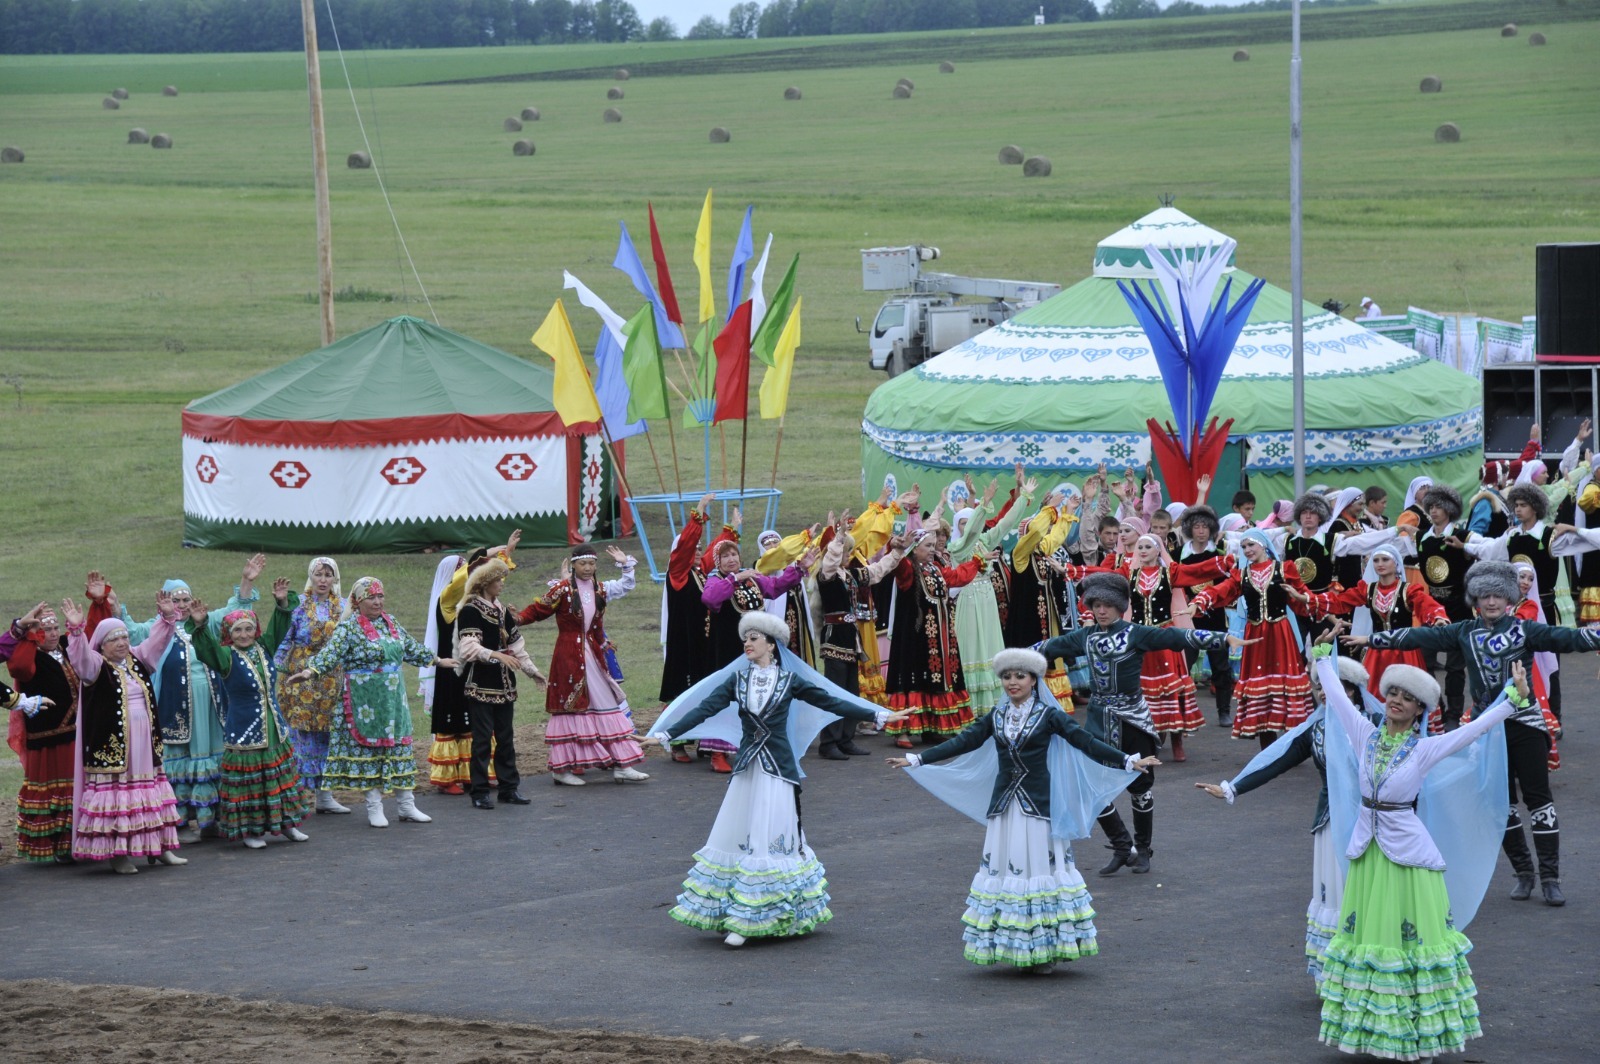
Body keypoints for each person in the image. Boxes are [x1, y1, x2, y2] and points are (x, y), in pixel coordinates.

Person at [644, 611, 910, 947]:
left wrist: (879, 712)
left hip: (777, 768)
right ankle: (737, 911)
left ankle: (757, 917)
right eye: (746, 638)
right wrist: (666, 734)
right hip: (748, 770)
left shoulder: (789, 681)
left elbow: (831, 700)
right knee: (739, 834)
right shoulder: (737, 681)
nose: (748, 643)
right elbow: (703, 709)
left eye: (754, 638)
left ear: (772, 645)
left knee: (771, 836)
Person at [1347, 559, 1600, 907]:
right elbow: (1423, 634)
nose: (1491, 602)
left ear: (1509, 598)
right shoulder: (1464, 631)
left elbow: (1568, 638)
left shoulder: (1526, 630)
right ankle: (1524, 873)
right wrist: (1371, 639)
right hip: (1484, 729)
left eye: (1498, 595)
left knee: (1539, 800)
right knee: (1500, 804)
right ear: (1475, 600)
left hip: (1525, 724)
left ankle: (1551, 878)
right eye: (1484, 596)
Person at [1313, 654, 1525, 1061]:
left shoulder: (1425, 749)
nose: (1396, 701)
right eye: (1392, 692)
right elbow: (1338, 698)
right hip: (1368, 856)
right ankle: (1375, 1031)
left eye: (1407, 698)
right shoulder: (1364, 734)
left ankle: (1423, 1035)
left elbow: (1474, 731)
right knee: (1371, 940)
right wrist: (1324, 658)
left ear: (1419, 710)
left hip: (1407, 859)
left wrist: (1511, 698)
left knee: (1412, 945)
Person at [890, 647, 1154, 973]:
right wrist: (918, 759)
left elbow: (1083, 741)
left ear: (1033, 680)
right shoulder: (997, 716)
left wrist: (1127, 760)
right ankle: (1015, 945)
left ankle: (1045, 949)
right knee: (1008, 871)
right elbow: (965, 741)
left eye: (1020, 676)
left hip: (1038, 808)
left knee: (1039, 871)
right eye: (1006, 676)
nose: (1012, 682)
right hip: (1005, 808)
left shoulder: (1048, 715)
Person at [1039, 573, 1243, 875]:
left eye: (1108, 605)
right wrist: (1010, 660)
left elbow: (1175, 637)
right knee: (1092, 786)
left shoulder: (1135, 633)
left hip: (1132, 720)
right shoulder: (1086, 636)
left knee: (1140, 787)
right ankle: (1123, 847)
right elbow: (1049, 647)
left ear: (1120, 607)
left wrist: (1221, 638)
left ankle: (1143, 850)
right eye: (1096, 605)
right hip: (1098, 722)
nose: (1101, 611)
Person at [1196, 650, 1378, 979]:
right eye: (1318, 685)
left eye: (1333, 685)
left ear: (1351, 689)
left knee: (1370, 895)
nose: (1323, 691)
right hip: (1331, 823)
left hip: (1374, 826)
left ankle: (1373, 969)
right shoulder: (1315, 730)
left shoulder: (1377, 727)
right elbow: (1276, 761)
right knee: (1336, 895)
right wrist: (1232, 788)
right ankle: (1339, 973)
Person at [285, 577, 454, 829]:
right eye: (371, 597)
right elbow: (330, 654)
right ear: (358, 601)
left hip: (393, 702)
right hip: (363, 701)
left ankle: (406, 805)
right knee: (369, 752)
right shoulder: (348, 628)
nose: (378, 602)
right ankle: (375, 807)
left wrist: (438, 660)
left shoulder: (391, 622)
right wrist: (310, 672)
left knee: (399, 748)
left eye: (380, 596)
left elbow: (410, 648)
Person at [90, 570, 225, 844]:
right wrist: (112, 604)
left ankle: (210, 820)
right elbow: (129, 631)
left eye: (186, 598)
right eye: (176, 599)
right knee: (179, 759)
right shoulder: (157, 625)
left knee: (209, 757)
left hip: (208, 707)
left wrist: (246, 584)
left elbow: (234, 613)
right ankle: (182, 822)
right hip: (173, 706)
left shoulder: (204, 624)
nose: (183, 604)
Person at [60, 591, 189, 874]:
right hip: (113, 748)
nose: (121, 643)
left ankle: (162, 847)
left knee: (149, 793)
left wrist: (168, 618)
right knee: (118, 797)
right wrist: (76, 630)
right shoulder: (95, 667)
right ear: (102, 646)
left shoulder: (138, 659)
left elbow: (157, 642)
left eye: (123, 637)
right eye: (113, 639)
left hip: (144, 744)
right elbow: (79, 657)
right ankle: (118, 854)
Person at [186, 587, 311, 849]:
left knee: (280, 777)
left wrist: (281, 602)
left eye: (248, 629)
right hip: (245, 730)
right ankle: (250, 830)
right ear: (229, 635)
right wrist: (200, 625)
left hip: (274, 727)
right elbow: (206, 649)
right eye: (237, 631)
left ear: (255, 630)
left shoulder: (264, 647)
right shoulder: (226, 656)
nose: (244, 635)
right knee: (250, 784)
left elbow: (280, 625)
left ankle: (287, 824)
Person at [520, 545, 648, 788]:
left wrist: (604, 642)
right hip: (568, 657)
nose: (588, 568)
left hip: (593, 656)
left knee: (607, 704)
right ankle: (561, 769)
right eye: (583, 564)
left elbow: (597, 623)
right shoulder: (562, 589)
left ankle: (622, 766)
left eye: (591, 563)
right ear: (574, 566)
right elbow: (537, 610)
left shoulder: (599, 588)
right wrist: (513, 619)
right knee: (570, 709)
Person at [1184, 530, 1317, 747]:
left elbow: (1302, 597)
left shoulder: (1285, 569)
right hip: (1255, 636)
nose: (1247, 550)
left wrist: (1305, 598)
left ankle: (1296, 742)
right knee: (1261, 688)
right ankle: (1268, 744)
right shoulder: (1242, 574)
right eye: (1244, 547)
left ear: (1264, 545)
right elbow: (1221, 590)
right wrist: (1198, 602)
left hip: (1281, 634)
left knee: (1285, 686)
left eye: (1251, 545)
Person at [445, 559, 543, 806]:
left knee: (506, 738)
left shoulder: (500, 611)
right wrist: (496, 654)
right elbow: (468, 648)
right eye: (498, 580)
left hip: (505, 685)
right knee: (481, 740)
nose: (501, 584)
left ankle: (509, 788)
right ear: (486, 582)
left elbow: (516, 646)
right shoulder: (470, 610)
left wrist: (534, 672)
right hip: (480, 684)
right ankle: (479, 792)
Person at [885, 529, 988, 747]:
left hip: (938, 638)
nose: (933, 550)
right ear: (915, 549)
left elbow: (956, 577)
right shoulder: (908, 569)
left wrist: (977, 563)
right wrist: (897, 546)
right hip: (915, 639)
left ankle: (932, 728)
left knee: (935, 679)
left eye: (933, 546)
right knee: (912, 679)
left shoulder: (935, 569)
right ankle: (902, 732)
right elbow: (897, 563)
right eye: (927, 546)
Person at [659, 493, 740, 771]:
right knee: (684, 693)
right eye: (691, 548)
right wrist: (699, 514)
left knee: (707, 692)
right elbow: (686, 549)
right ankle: (678, 741)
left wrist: (729, 532)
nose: (697, 551)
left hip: (705, 642)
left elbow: (712, 554)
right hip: (685, 641)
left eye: (698, 549)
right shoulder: (678, 573)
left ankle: (709, 741)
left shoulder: (701, 571)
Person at [813, 522, 907, 759]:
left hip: (851, 640)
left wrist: (897, 552)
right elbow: (830, 562)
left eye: (847, 551)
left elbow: (877, 571)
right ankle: (828, 743)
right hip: (834, 638)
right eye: (844, 551)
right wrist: (838, 538)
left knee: (852, 691)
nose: (847, 555)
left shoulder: (852, 575)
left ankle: (846, 738)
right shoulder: (826, 576)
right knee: (835, 692)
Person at [274, 557, 352, 811]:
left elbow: (350, 642)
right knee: (302, 736)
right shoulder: (298, 605)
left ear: (335, 578)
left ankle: (325, 797)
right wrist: (272, 668)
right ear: (311, 576)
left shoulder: (343, 607)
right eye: (318, 574)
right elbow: (285, 640)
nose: (323, 580)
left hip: (330, 679)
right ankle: (299, 797)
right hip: (299, 679)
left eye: (328, 575)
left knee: (327, 736)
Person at [2, 602, 77, 863]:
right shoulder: (30, 654)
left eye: (56, 628)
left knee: (75, 788)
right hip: (48, 738)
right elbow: (19, 669)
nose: (53, 634)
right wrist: (26, 635)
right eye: (45, 630)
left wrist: (101, 605)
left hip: (76, 734)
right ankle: (58, 845)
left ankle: (79, 840)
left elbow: (95, 640)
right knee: (54, 791)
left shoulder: (69, 647)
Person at [1176, 504, 1236, 727]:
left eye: (1205, 526)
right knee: (1184, 667)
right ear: (1189, 529)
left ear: (1211, 529)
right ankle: (1180, 710)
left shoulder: (1221, 555)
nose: (1201, 531)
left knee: (1221, 667)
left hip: (1215, 619)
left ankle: (1224, 711)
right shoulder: (1178, 556)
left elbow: (1230, 585)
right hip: (1187, 621)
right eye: (1196, 526)